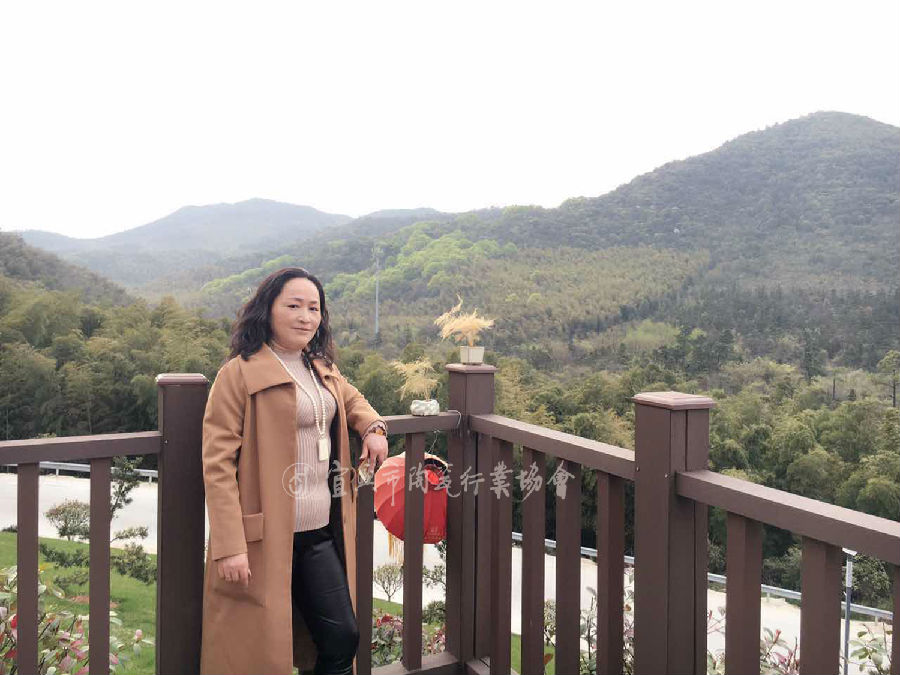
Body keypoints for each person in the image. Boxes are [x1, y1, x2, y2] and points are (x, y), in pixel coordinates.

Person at [199, 267, 389, 675]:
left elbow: (351, 399)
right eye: (294, 306)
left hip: (318, 531)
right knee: (260, 654)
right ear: (268, 309)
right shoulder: (239, 373)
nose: (306, 317)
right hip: (264, 539)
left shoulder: (318, 366)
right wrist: (229, 545)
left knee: (342, 638)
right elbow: (217, 466)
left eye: (314, 308)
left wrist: (373, 427)